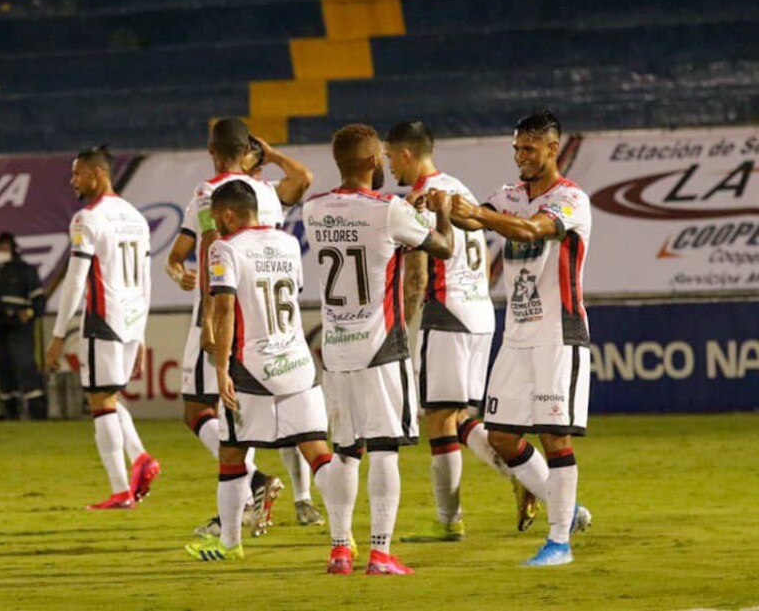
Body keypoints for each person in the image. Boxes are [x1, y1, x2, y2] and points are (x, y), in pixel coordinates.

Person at [303, 123, 455, 575]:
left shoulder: (313, 210)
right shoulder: (389, 209)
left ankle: (339, 550)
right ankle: (380, 552)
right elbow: (443, 247)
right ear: (372, 161)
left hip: (336, 349)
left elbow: (363, 236)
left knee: (345, 451)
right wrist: (441, 214)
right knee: (386, 448)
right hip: (380, 347)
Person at [165, 118, 322, 537]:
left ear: (211, 150)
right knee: (282, 411)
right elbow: (304, 178)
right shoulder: (267, 192)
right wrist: (272, 155)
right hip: (274, 322)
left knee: (203, 410)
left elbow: (204, 249)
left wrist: (205, 317)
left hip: (224, 309)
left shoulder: (209, 193)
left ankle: (251, 489)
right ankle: (303, 503)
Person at [450, 111, 592, 566]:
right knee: (501, 437)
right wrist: (442, 206)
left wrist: (479, 214)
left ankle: (559, 542)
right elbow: (472, 221)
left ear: (552, 148)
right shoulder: (508, 196)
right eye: (517, 148)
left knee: (554, 436)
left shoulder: (571, 199)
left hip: (557, 334)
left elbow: (531, 229)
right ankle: (559, 503)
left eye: (529, 148)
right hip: (516, 335)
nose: (521, 156)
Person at [384, 120, 535, 540]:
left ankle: (449, 520)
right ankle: (521, 474)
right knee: (458, 415)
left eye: (391, 157)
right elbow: (484, 256)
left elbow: (417, 273)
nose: (390, 166)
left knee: (437, 418)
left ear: (407, 154)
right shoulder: (458, 189)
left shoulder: (420, 200)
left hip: (447, 314)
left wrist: (402, 326)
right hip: (480, 314)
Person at [184, 180, 341, 566]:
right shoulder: (288, 243)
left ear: (228, 214)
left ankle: (230, 543)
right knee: (317, 451)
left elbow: (225, 310)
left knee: (232, 454)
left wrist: (222, 368)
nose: (214, 226)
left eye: (216, 218)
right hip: (297, 363)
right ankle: (344, 540)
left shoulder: (224, 248)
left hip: (252, 366)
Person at [46, 146, 160, 510]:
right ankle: (140, 458)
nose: (73, 181)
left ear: (97, 174)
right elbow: (145, 279)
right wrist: (141, 333)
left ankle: (121, 490)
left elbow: (75, 281)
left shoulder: (87, 219)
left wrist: (58, 334)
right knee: (107, 396)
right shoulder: (136, 217)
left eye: (78, 173)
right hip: (131, 319)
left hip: (103, 319)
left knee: (100, 402)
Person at [0, 232, 47, 420]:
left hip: (19, 328)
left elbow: (39, 302)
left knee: (25, 366)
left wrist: (28, 313)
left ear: (14, 249)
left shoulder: (26, 271)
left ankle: (37, 413)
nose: (1, 252)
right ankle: (10, 413)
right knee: (2, 368)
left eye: (4, 248)